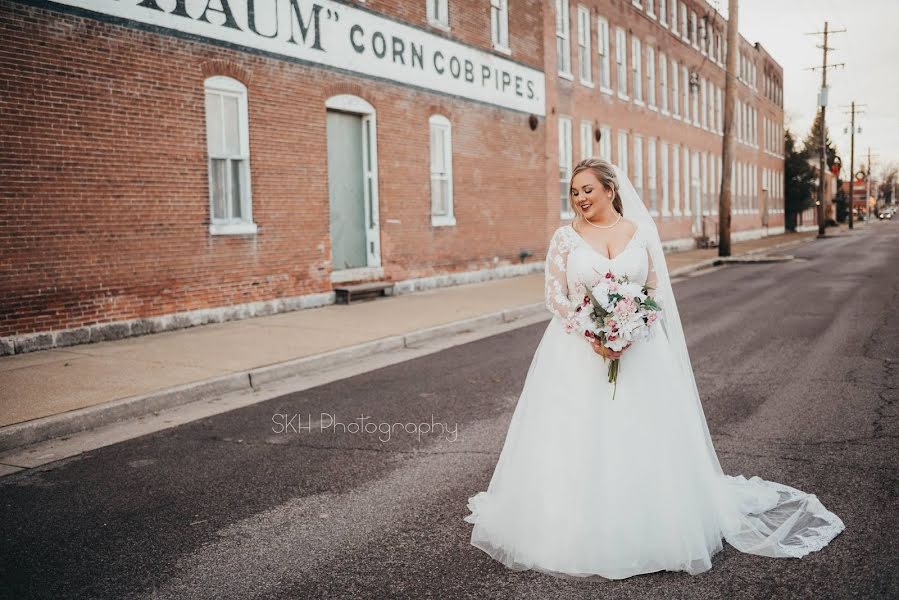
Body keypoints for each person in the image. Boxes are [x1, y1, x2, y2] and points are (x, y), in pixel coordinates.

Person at [462, 158, 845, 580]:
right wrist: (593, 334)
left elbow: (654, 291)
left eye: (587, 189)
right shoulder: (565, 238)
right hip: (576, 351)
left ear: (609, 189)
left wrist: (629, 328)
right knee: (576, 435)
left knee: (643, 432)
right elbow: (555, 295)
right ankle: (575, 527)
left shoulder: (640, 233)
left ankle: (651, 521)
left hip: (639, 350)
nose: (580, 199)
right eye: (574, 192)